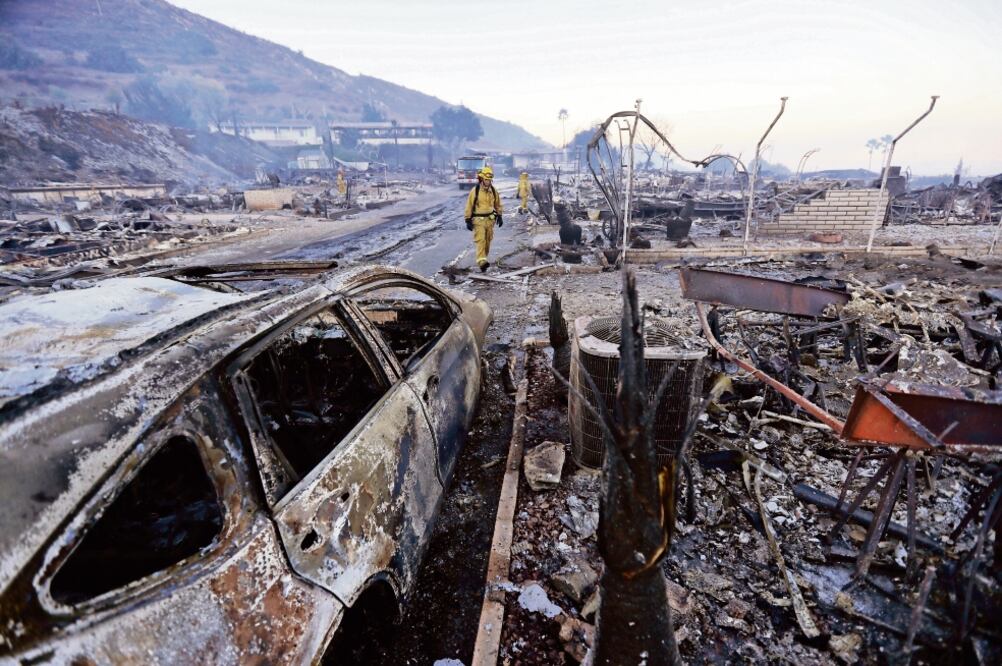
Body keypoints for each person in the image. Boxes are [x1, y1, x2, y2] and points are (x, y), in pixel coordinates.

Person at [464, 166, 503, 271]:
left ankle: (483, 258)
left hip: (490, 220)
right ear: (482, 179)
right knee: (481, 240)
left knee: (488, 240)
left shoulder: (493, 191)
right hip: (478, 220)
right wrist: (467, 219)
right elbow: (469, 205)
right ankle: (481, 261)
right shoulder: (475, 191)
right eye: (486, 179)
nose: (488, 181)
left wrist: (500, 216)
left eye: (490, 180)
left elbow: (498, 204)